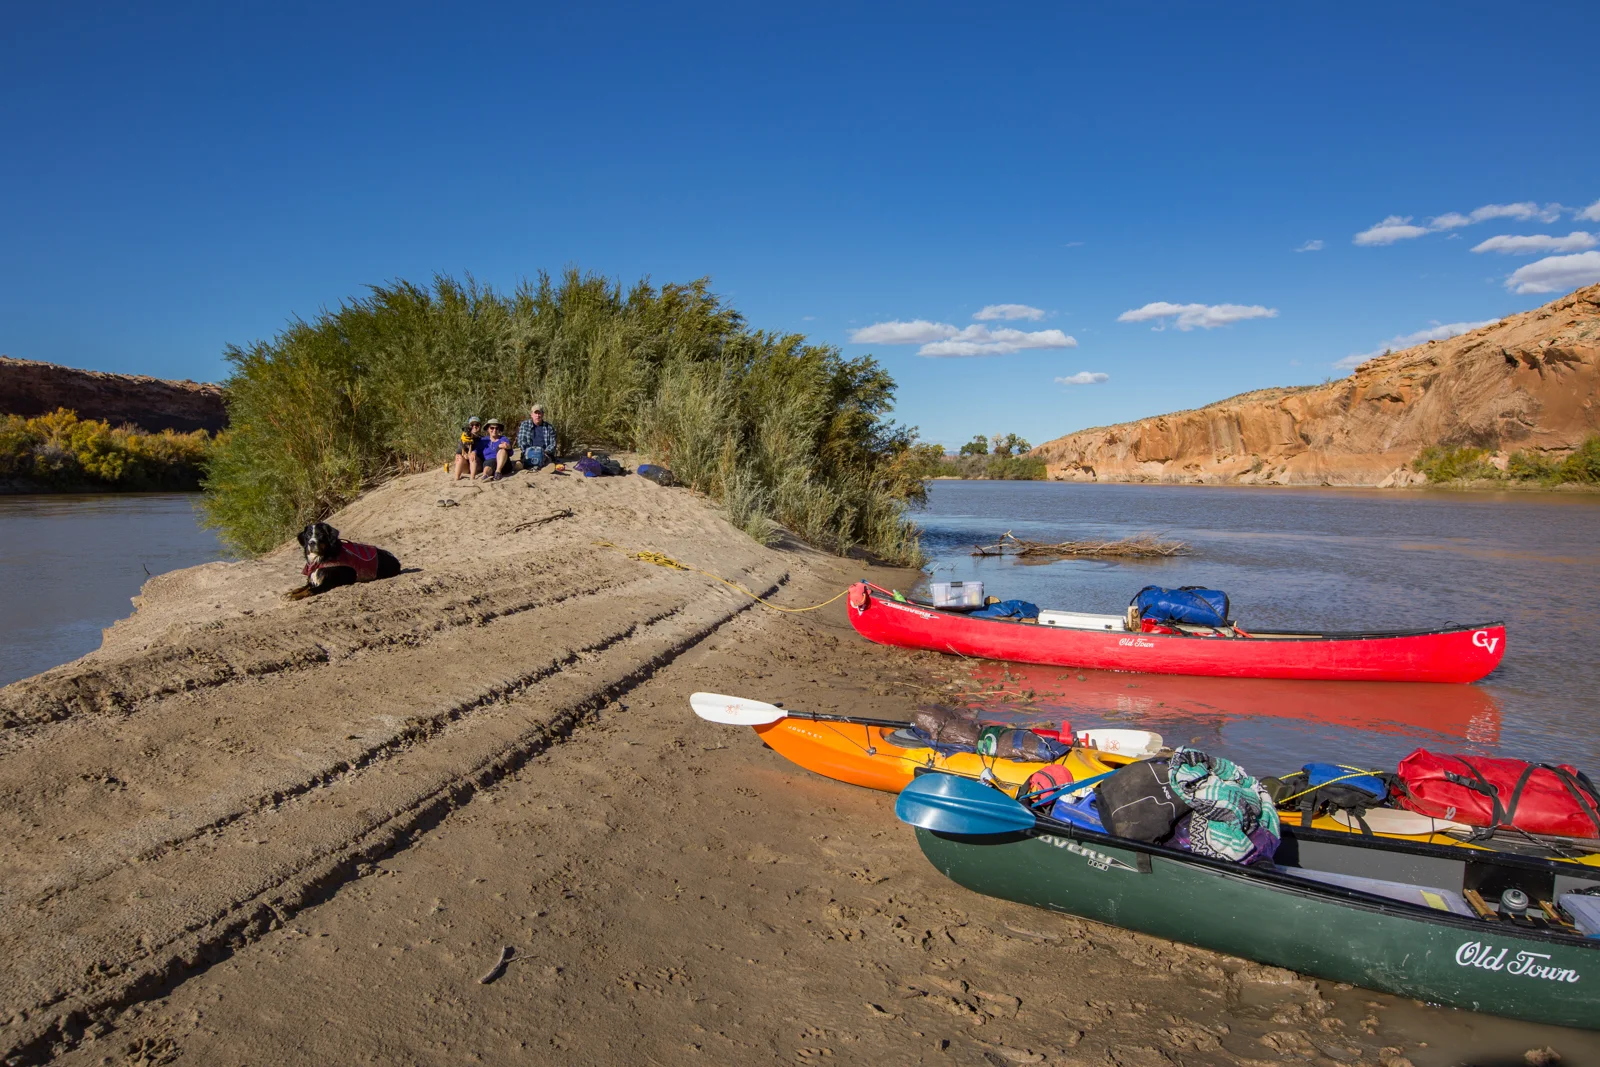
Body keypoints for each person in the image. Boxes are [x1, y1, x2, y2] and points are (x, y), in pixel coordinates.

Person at [516, 403, 557, 471]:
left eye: (539, 413)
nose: (537, 416)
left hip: (544, 453)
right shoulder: (525, 425)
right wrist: (528, 451)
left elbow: (553, 443)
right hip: (529, 452)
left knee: (547, 460)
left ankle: (546, 466)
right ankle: (521, 464)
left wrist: (545, 452)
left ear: (542, 414)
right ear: (531, 414)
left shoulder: (549, 427)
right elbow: (521, 441)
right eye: (535, 413)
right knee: (525, 459)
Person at [452, 417, 483, 481]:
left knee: (472, 456)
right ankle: (456, 478)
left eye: (477, 425)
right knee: (459, 457)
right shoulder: (464, 438)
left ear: (480, 426)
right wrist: (464, 455)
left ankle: (472, 478)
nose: (474, 426)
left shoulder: (483, 439)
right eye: (472, 425)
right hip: (466, 466)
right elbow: (459, 450)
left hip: (477, 465)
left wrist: (473, 453)